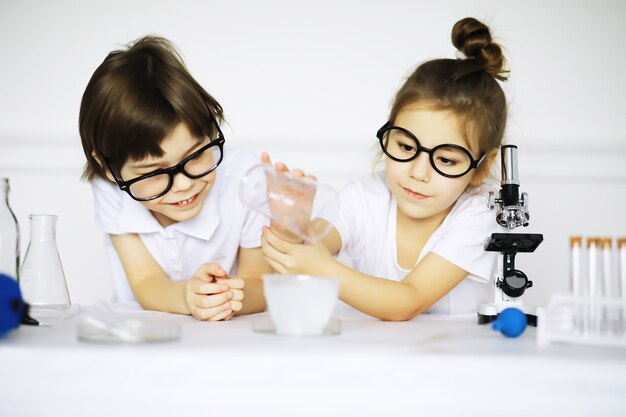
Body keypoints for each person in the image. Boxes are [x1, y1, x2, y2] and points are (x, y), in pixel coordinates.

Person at [261, 17, 507, 320]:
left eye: (446, 160)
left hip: (453, 361)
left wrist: (321, 268)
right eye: (406, 147)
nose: (418, 173)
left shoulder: (479, 215)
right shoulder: (363, 198)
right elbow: (309, 249)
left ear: (482, 167)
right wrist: (290, 222)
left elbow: (409, 301)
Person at [79, 36, 273, 321]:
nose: (184, 184)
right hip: (139, 334)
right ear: (108, 168)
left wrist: (221, 298)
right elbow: (145, 281)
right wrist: (187, 297)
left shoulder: (247, 179)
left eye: (195, 156)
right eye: (155, 173)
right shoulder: (111, 191)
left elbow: (260, 281)